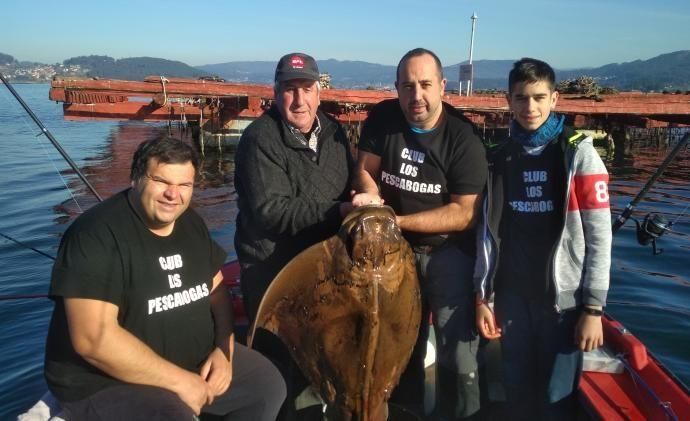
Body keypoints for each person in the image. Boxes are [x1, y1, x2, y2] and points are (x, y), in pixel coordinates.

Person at [44, 136, 286, 421]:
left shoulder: (190, 224)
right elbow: (93, 341)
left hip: (191, 362)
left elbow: (217, 291)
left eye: (184, 185)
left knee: (267, 386)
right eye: (161, 181)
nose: (173, 194)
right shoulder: (93, 236)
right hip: (108, 381)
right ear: (135, 178)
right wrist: (180, 382)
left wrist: (224, 351)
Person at [352, 47, 488, 419]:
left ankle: (459, 412)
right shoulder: (383, 118)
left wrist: (392, 219)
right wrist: (371, 194)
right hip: (394, 253)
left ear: (443, 86)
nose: (417, 96)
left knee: (455, 347)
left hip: (448, 253)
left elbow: (464, 215)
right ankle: (403, 410)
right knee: (399, 341)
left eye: (426, 84)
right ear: (396, 87)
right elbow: (366, 169)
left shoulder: (463, 139)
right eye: (408, 86)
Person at [473, 58, 612, 420]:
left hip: (562, 307)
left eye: (538, 97)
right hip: (512, 300)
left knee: (556, 403)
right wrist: (484, 295)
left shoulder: (579, 154)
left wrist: (593, 309)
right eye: (521, 98)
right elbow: (488, 234)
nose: (529, 107)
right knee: (516, 394)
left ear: (555, 99)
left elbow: (600, 238)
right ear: (509, 101)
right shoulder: (498, 159)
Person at [233, 52, 354, 419]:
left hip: (324, 271)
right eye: (289, 89)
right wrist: (339, 213)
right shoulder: (259, 139)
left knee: (328, 364)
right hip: (275, 274)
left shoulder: (335, 133)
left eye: (306, 89)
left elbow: (349, 185)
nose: (299, 100)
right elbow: (271, 211)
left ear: (320, 92)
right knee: (283, 373)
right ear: (275, 92)